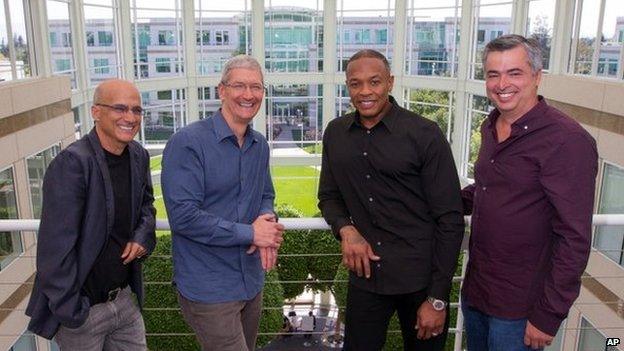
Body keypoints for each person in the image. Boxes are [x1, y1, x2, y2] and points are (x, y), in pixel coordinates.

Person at [318, 49, 464, 351]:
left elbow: (450, 219)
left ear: (390, 83)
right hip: (366, 279)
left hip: (421, 282)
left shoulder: (425, 134)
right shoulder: (335, 133)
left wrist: (437, 299)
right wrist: (346, 229)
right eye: (355, 84)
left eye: (374, 82)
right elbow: (329, 197)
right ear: (348, 86)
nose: (365, 91)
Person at [461, 35, 598, 351]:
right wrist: (432, 202)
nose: (501, 83)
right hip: (477, 294)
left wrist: (548, 315)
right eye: (493, 74)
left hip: (520, 310)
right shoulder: (491, 124)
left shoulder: (567, 141)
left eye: (514, 73)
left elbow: (574, 237)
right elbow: (487, 190)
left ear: (537, 76)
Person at [161, 55, 284, 351]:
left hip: (251, 281)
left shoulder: (259, 146)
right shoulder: (187, 143)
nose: (248, 94)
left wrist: (266, 222)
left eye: (256, 87)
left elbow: (265, 194)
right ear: (221, 91)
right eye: (239, 85)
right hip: (209, 288)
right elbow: (184, 217)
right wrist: (252, 234)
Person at [25, 79, 156, 350]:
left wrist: (143, 236)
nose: (130, 117)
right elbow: (54, 251)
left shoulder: (138, 155)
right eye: (120, 108)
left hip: (124, 301)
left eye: (136, 110)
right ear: (96, 112)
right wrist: (73, 312)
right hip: (83, 313)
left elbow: (147, 205)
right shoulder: (72, 164)